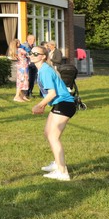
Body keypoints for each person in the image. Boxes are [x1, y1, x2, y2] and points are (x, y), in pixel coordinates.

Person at [30, 45, 76, 181]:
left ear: (43, 57)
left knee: (53, 137)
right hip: (60, 103)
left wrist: (39, 105)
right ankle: (57, 163)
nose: (32, 55)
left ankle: (63, 172)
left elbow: (52, 93)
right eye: (31, 53)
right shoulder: (43, 69)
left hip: (64, 104)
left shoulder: (45, 70)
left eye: (36, 53)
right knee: (47, 133)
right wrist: (45, 105)